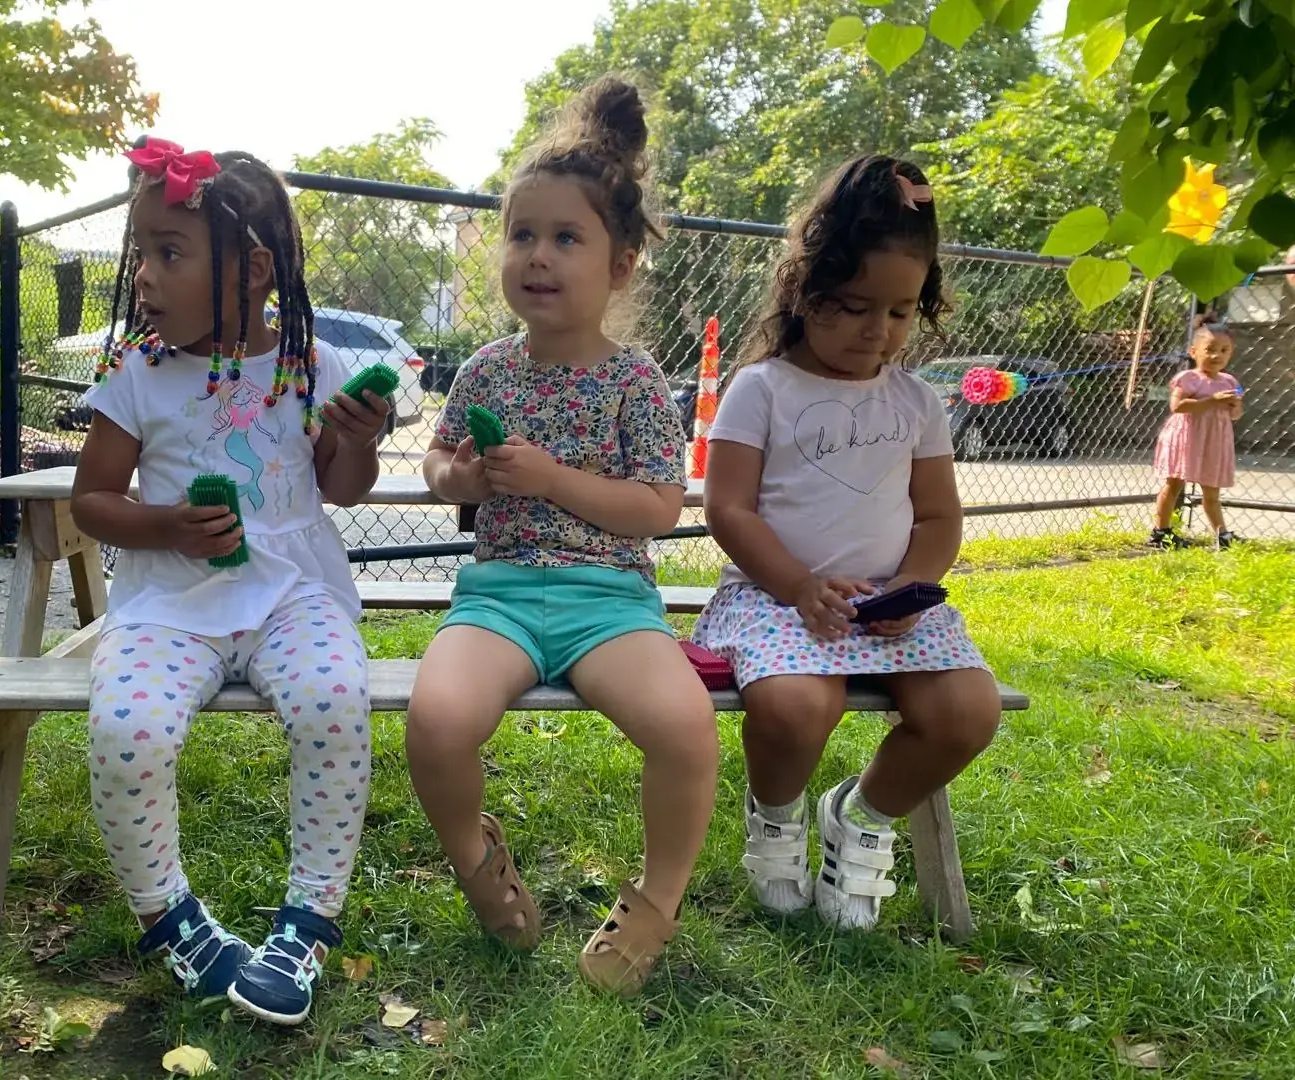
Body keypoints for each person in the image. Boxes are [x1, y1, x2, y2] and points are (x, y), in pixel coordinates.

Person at [405, 77, 718, 995]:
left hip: (607, 604)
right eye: (522, 235)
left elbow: (661, 507)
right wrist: (457, 479)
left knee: (684, 730)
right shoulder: (488, 370)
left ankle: (657, 900)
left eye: (566, 238)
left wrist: (555, 482)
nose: (537, 256)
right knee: (439, 721)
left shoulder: (635, 380)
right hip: (499, 594)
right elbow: (436, 463)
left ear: (620, 265)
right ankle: (475, 856)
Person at [71, 140, 387, 1025]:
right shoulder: (135, 373)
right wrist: (165, 525)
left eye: (170, 254)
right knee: (125, 729)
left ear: (252, 270)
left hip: (294, 593)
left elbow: (340, 489)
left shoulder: (307, 364)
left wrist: (356, 438)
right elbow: (93, 502)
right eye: (143, 253)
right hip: (170, 604)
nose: (144, 278)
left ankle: (307, 924)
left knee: (335, 700)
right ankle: (171, 920)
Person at [693, 155, 1002, 929]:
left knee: (969, 712)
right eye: (857, 307)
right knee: (797, 706)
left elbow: (938, 518)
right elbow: (726, 508)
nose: (879, 331)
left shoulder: (917, 401)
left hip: (891, 606)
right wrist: (798, 586)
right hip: (777, 598)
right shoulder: (761, 388)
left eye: (900, 312)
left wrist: (912, 589)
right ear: (806, 291)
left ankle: (860, 817)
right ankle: (776, 816)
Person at [1149, 313, 1244, 550]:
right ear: (1194, 351)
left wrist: (1234, 405)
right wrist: (1212, 400)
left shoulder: (1230, 382)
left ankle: (1222, 535)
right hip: (1187, 438)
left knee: (1212, 491)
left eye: (1224, 350)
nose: (1216, 356)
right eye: (1210, 349)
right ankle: (1161, 532)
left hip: (1214, 440)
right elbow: (1177, 406)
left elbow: (1236, 414)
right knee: (1173, 485)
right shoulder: (1188, 378)